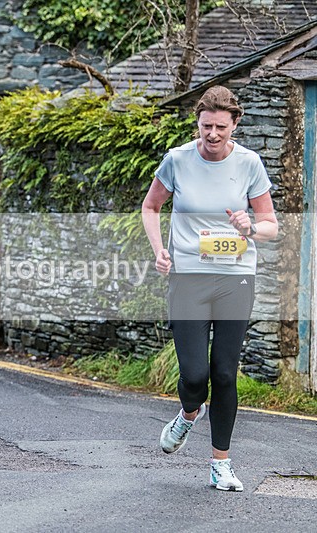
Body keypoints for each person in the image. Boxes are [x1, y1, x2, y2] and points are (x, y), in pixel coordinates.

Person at [141, 85, 278, 492]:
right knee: (196, 375)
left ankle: (221, 463)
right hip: (188, 277)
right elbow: (151, 206)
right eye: (205, 127)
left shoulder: (249, 163)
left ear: (234, 125)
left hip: (235, 277)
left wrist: (249, 227)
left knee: (224, 372)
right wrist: (159, 250)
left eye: (220, 127)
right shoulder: (178, 160)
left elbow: (270, 225)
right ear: (197, 124)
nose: (212, 134)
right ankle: (187, 413)